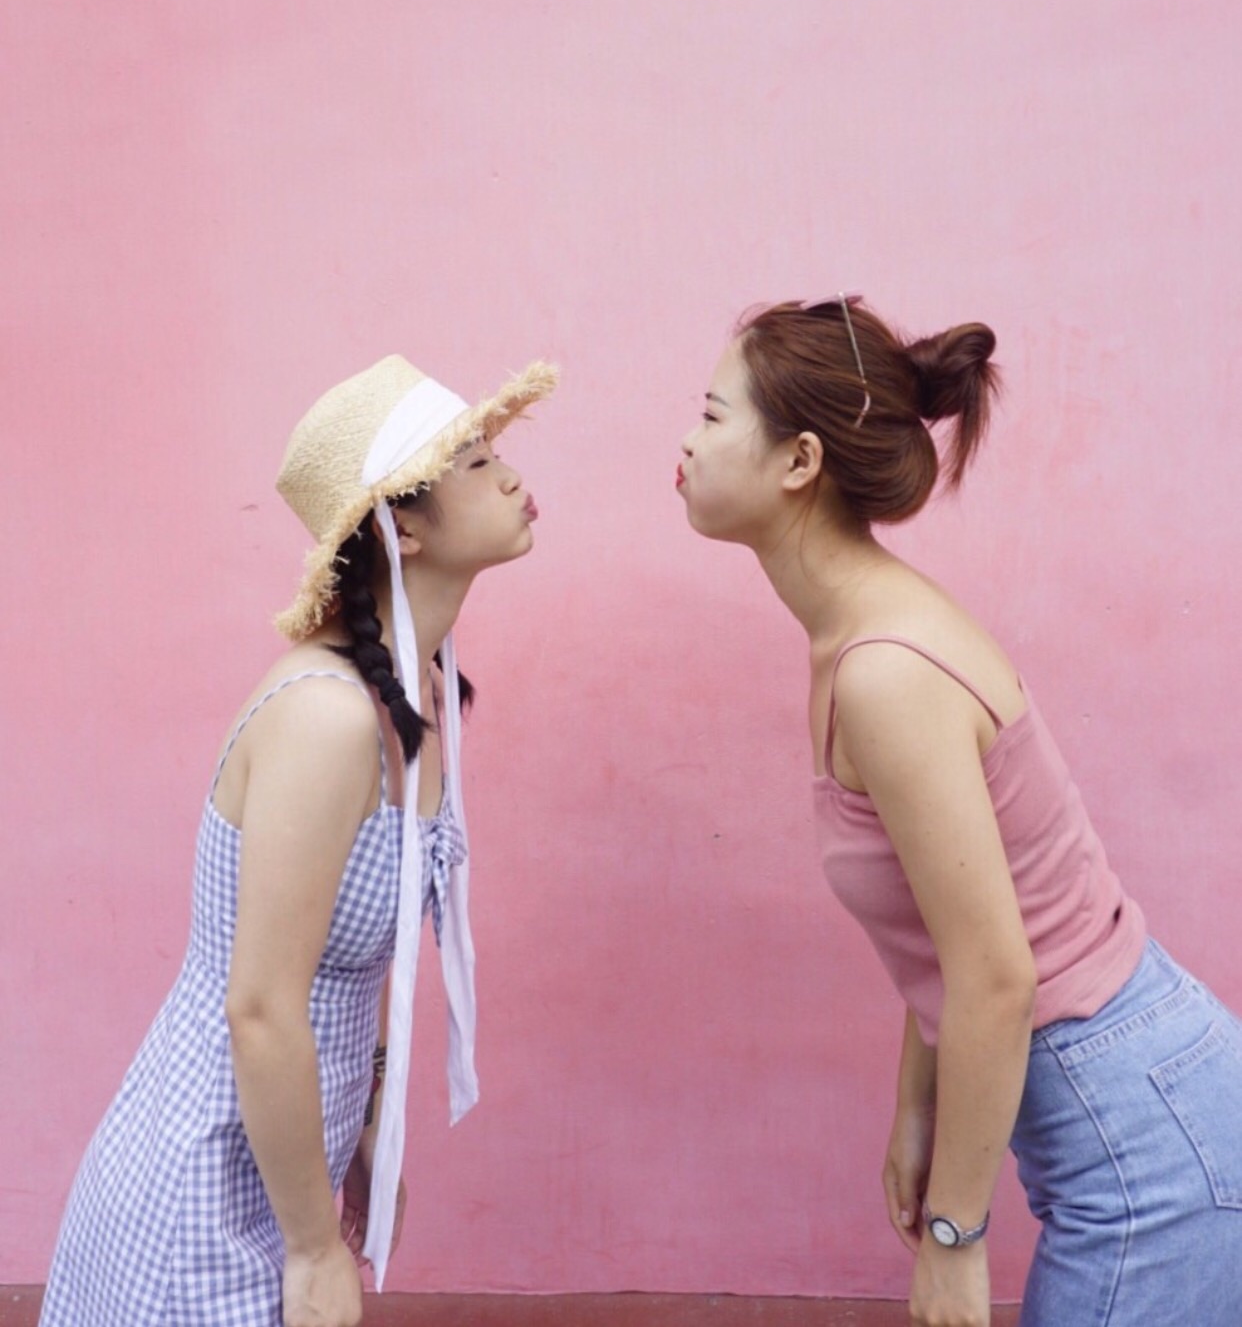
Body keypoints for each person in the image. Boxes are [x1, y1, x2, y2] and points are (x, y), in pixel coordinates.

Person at [676, 295, 1242, 1327]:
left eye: (712, 416)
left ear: (799, 460)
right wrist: (917, 1109)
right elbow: (955, 920)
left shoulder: (887, 670)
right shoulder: (861, 635)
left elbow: (996, 971)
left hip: (1147, 1144)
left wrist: (955, 1238)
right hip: (1140, 1095)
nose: (688, 441)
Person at [40, 353, 557, 1327]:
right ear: (401, 527)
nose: (513, 477)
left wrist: (365, 1131)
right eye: (479, 463)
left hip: (283, 1174)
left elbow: (359, 957)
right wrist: (316, 1248)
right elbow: (261, 1006)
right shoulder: (327, 716)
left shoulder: (416, 690)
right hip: (199, 1196)